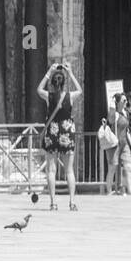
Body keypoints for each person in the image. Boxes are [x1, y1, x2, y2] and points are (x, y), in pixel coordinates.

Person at [37, 62, 82, 211]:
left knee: (51, 169)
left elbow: (38, 89)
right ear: (63, 83)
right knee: (69, 170)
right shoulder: (70, 96)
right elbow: (80, 90)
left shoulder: (49, 96)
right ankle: (72, 202)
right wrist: (70, 73)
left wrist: (49, 72)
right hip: (67, 133)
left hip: (53, 132)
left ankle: (53, 203)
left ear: (52, 83)